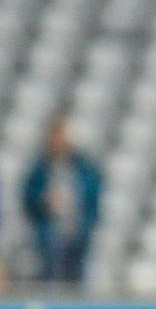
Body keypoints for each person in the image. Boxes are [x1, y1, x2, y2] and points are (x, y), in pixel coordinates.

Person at [23, 117, 101, 282]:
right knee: (51, 277)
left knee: (75, 278)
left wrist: (88, 221)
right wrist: (44, 200)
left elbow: (92, 196)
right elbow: (29, 197)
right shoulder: (41, 168)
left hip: (77, 231)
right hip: (50, 233)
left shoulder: (82, 167)